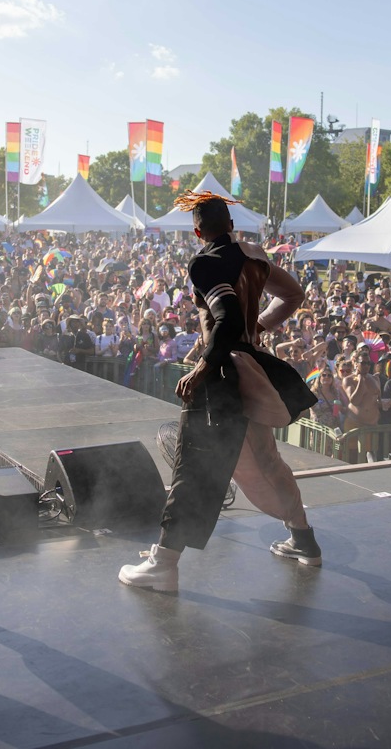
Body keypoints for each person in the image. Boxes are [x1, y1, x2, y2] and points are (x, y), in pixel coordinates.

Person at [120, 192, 319, 593]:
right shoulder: (255, 254)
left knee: (194, 466)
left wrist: (202, 368)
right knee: (268, 460)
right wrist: (258, 328)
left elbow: (225, 319)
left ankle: (164, 563)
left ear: (197, 232)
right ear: (230, 223)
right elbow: (294, 295)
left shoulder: (205, 263)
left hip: (224, 373)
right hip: (252, 366)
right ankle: (304, 541)